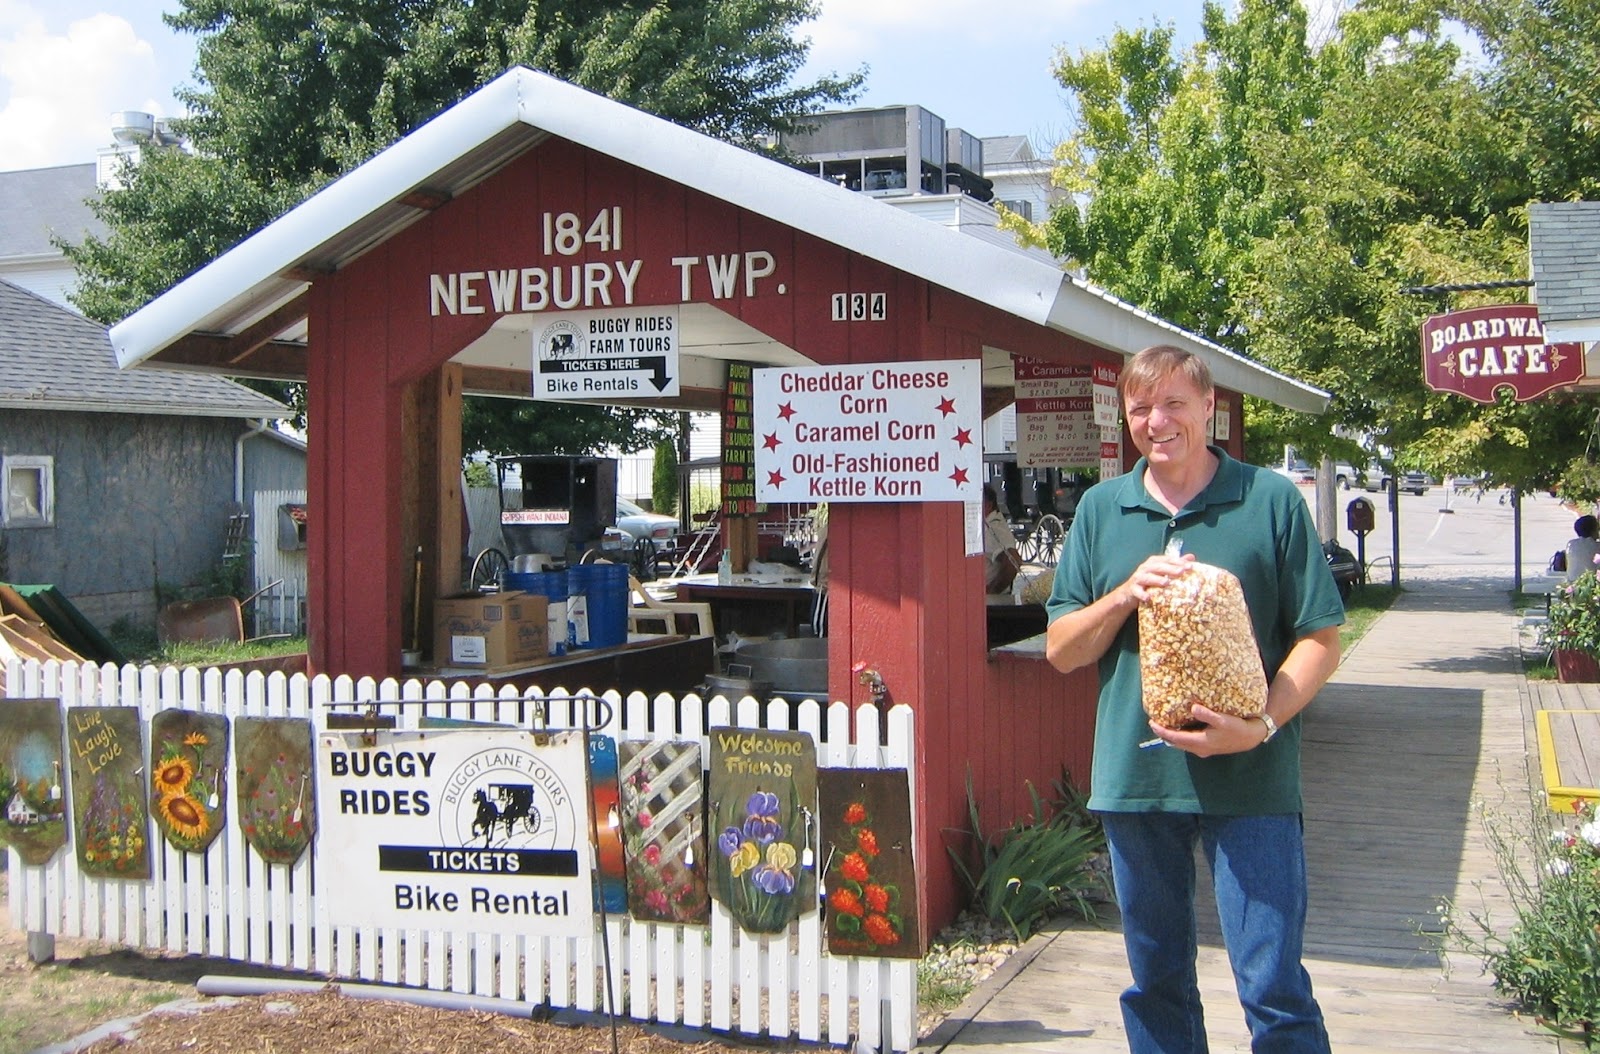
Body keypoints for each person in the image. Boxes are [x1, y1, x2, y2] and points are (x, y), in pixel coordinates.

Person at [1044, 345, 1345, 1054]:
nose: (1158, 421)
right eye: (1142, 407)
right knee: (1156, 983)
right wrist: (1123, 595)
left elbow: (1321, 640)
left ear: (1210, 407)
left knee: (1272, 986)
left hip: (1253, 782)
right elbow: (1062, 649)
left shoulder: (1268, 499)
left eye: (1174, 403)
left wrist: (1262, 723)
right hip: (1136, 783)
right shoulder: (1100, 508)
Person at [983, 485, 1023, 594]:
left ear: (988, 505)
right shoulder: (988, 526)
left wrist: (993, 591)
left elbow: (1013, 561)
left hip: (991, 601)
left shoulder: (994, 529)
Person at [1565, 514, 1599, 583]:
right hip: (1592, 585)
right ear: (1594, 530)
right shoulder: (1596, 546)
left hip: (1573, 584)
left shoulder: (1571, 544)